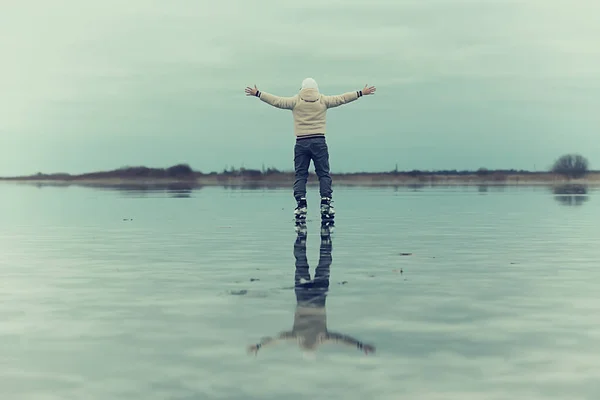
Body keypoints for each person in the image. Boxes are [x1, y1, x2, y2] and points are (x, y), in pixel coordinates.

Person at [245, 78, 376, 223]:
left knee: (301, 175)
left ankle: (301, 205)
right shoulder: (323, 100)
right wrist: (360, 93)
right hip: (319, 142)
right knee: (323, 174)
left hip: (301, 143)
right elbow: (342, 99)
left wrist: (258, 93)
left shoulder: (295, 101)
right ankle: (326, 203)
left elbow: (277, 101)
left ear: (302, 88)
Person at [247, 225, 376, 358]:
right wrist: (259, 346)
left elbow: (278, 340)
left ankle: (315, 232)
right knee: (307, 261)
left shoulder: (313, 338)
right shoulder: (313, 338)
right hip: (310, 295)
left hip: (313, 295)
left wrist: (260, 346)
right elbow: (342, 339)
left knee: (318, 261)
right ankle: (307, 233)